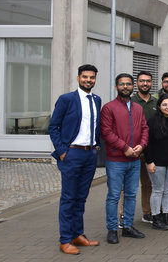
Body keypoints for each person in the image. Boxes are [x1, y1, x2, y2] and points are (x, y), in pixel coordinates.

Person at [48, 64, 102, 255]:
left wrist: (97, 147)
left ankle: (77, 234)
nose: (89, 80)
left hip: (89, 154)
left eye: (92, 77)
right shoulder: (67, 99)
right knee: (69, 198)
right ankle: (64, 240)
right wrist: (62, 151)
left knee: (81, 198)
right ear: (78, 78)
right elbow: (53, 127)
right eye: (85, 77)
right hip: (72, 154)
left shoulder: (96, 99)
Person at [101, 73, 148, 244]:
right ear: (116, 87)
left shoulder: (138, 108)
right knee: (113, 196)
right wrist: (125, 148)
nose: (126, 87)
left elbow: (144, 128)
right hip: (116, 160)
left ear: (132, 86)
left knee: (131, 194)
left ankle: (127, 226)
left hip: (135, 159)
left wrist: (141, 146)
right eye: (122, 84)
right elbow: (106, 132)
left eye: (128, 84)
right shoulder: (108, 108)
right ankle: (112, 229)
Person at [145, 95, 168, 231]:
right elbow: (147, 144)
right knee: (157, 190)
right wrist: (149, 161)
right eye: (164, 105)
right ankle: (156, 218)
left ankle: (166, 216)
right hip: (157, 163)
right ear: (159, 107)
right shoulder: (153, 122)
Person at [130, 71, 157, 224]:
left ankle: (148, 212)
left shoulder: (155, 102)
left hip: (152, 149)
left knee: (149, 183)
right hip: (134, 149)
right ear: (137, 83)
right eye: (142, 81)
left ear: (152, 83)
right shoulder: (131, 101)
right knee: (128, 185)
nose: (145, 83)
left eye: (148, 81)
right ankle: (123, 216)